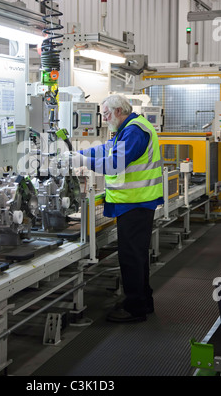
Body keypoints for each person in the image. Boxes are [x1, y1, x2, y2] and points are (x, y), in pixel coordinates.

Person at [68, 93, 164, 323]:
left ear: (118, 111)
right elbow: (105, 151)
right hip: (133, 203)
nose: (104, 118)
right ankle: (142, 300)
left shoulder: (134, 131)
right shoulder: (128, 128)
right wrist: (76, 155)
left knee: (131, 256)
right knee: (137, 255)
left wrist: (82, 162)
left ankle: (135, 308)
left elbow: (113, 164)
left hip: (136, 203)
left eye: (106, 113)